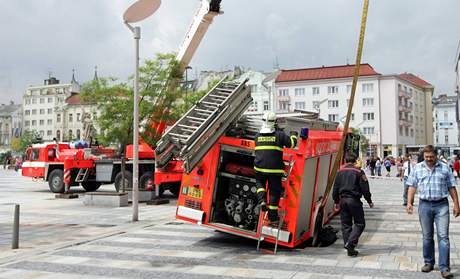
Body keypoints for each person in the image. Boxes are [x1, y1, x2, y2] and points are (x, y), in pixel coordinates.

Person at [406, 145, 460, 279]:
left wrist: (456, 205)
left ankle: (444, 267)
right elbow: (412, 186)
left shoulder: (445, 168)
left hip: (442, 205)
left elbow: (451, 187)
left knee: (444, 237)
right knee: (427, 237)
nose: (429, 159)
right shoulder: (417, 168)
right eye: (426, 157)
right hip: (424, 205)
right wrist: (409, 202)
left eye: (431, 157)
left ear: (436, 155)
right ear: (423, 156)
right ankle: (429, 262)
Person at [254, 111, 297, 225]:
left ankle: (262, 201)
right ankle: (272, 217)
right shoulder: (279, 135)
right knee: (274, 192)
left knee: (260, 183)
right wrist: (293, 134)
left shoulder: (257, 136)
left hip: (260, 168)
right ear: (275, 122)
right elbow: (292, 144)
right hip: (275, 170)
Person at [333, 153, 373, 257]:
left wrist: (336, 202)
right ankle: (350, 244)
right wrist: (369, 201)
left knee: (346, 225)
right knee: (360, 223)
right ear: (355, 160)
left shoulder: (339, 172)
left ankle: (350, 249)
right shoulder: (359, 172)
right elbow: (365, 189)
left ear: (345, 160)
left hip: (343, 201)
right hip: (354, 201)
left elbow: (335, 188)